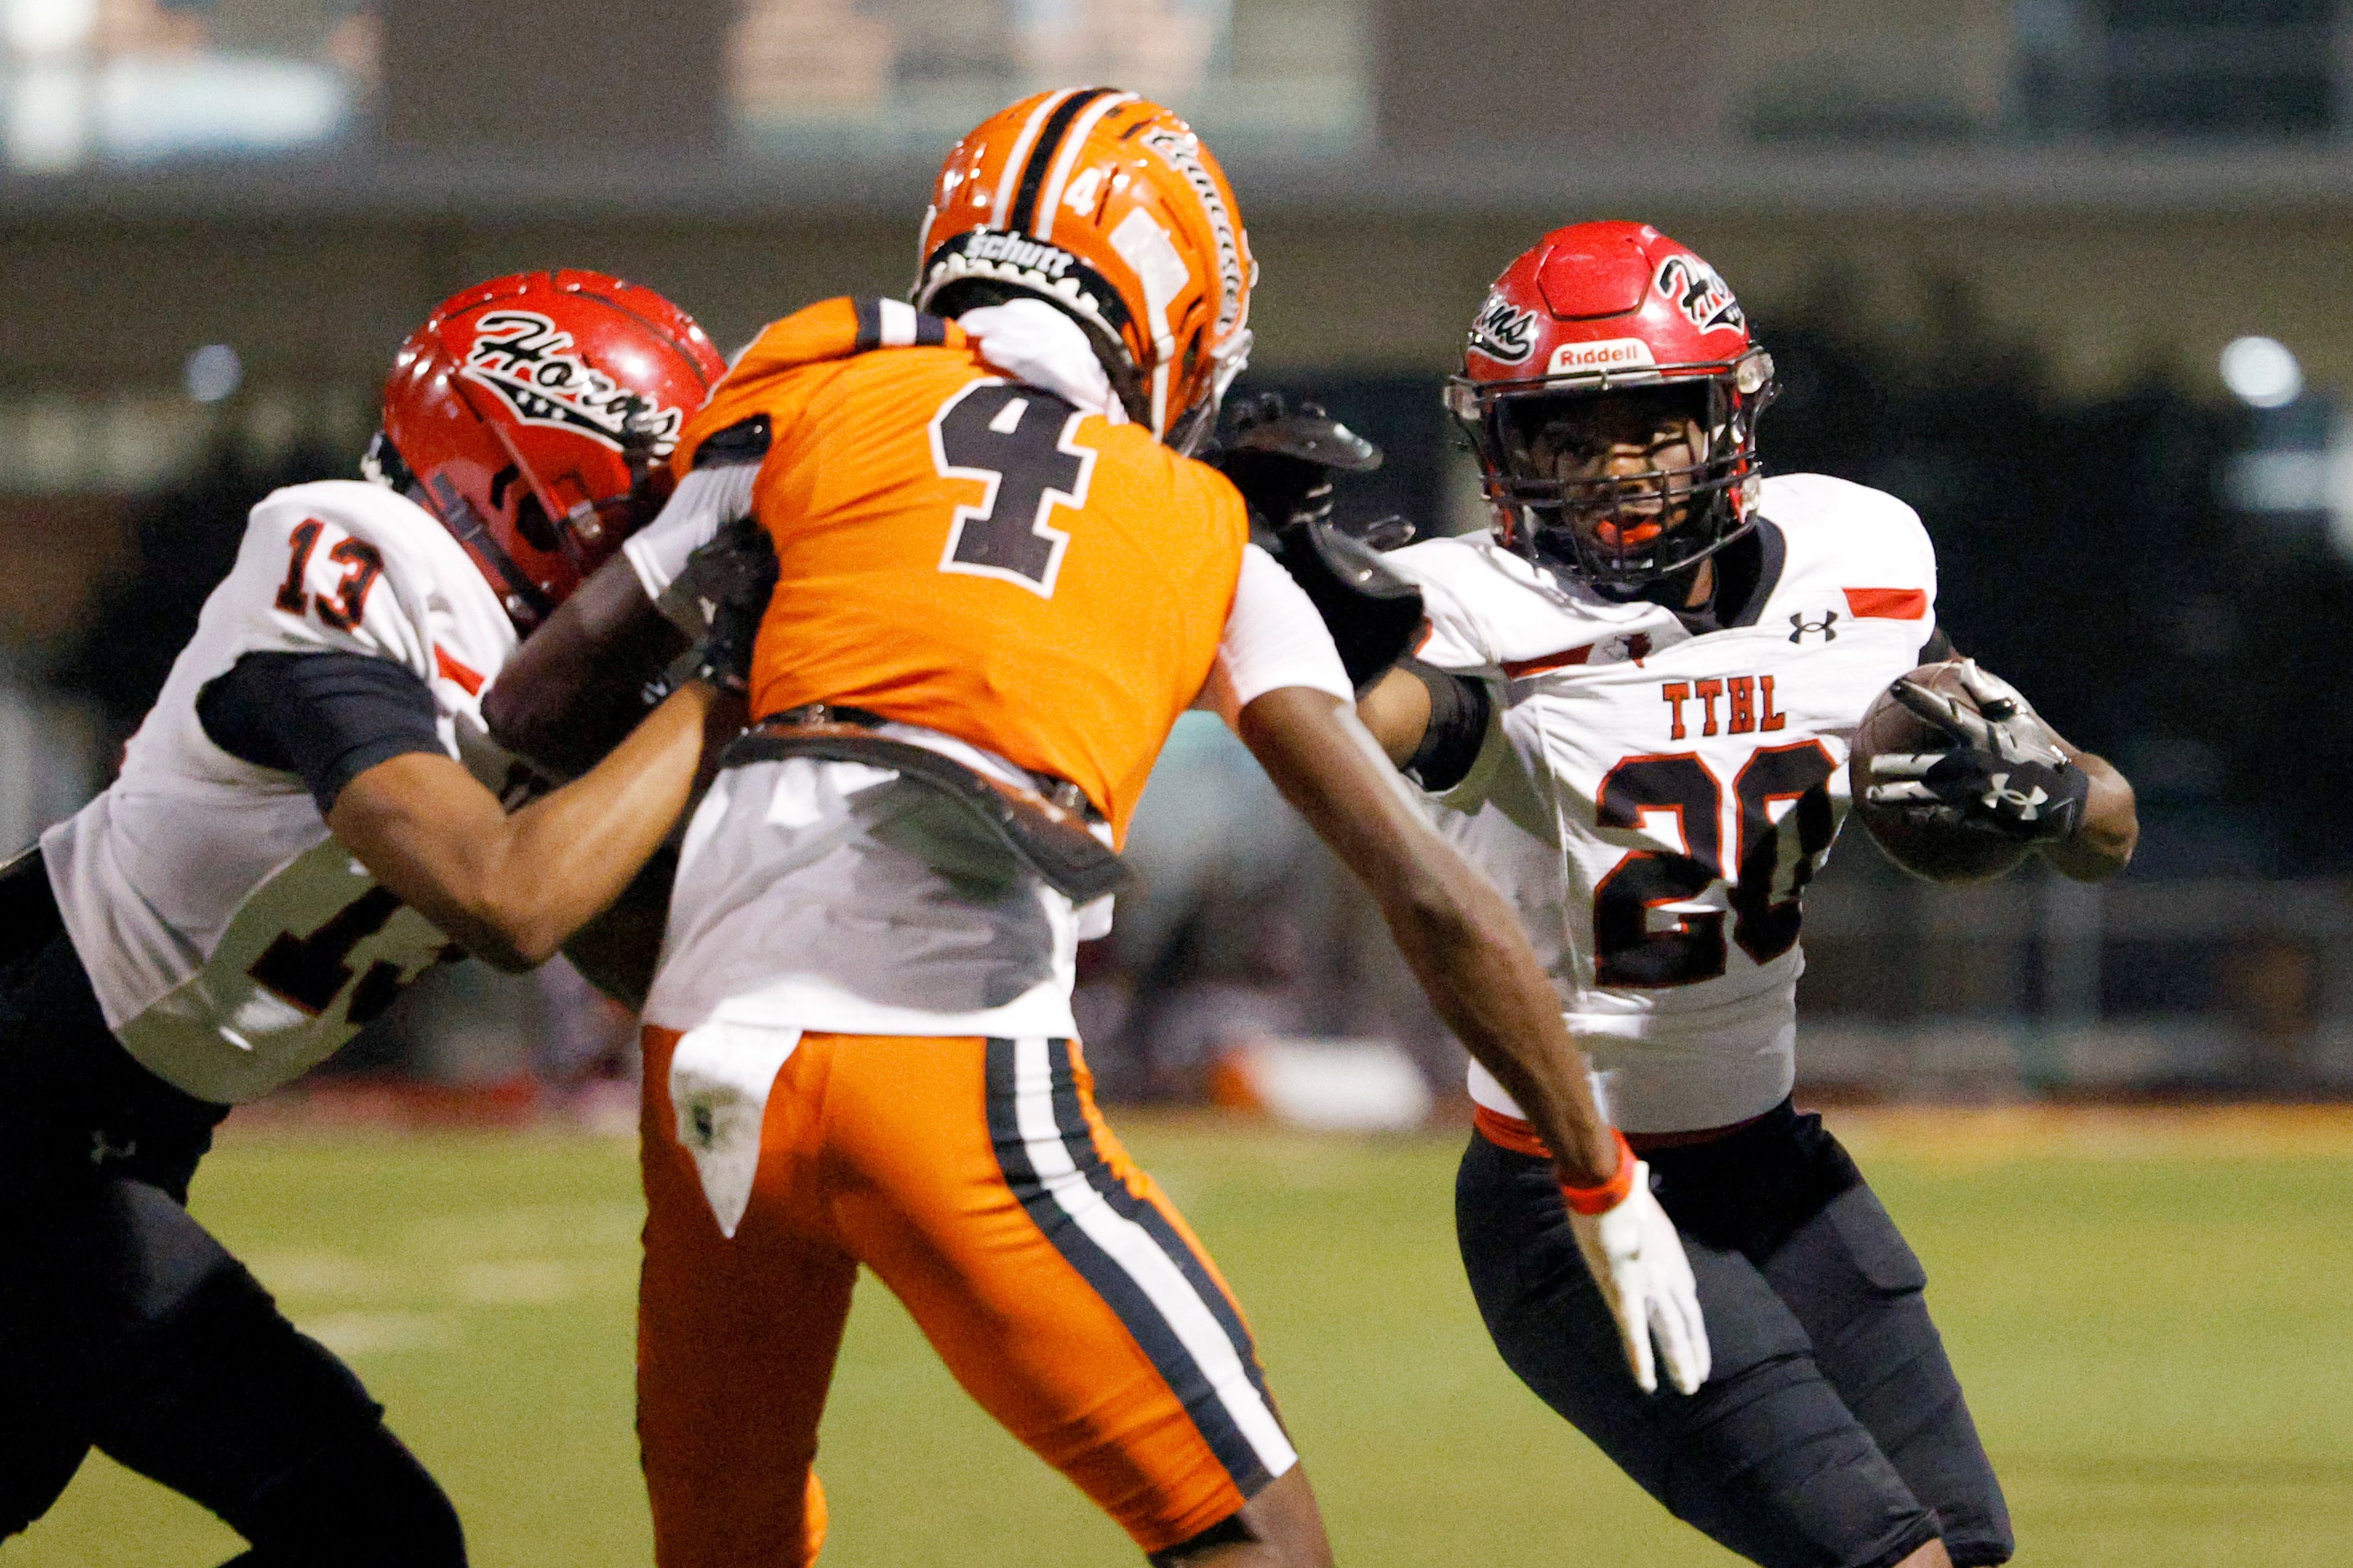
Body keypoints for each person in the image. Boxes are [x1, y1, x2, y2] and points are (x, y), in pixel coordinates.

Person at [486, 93, 1706, 1568]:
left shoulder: (804, 393)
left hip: (701, 1061)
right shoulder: (1199, 525)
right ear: (1175, 304)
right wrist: (1600, 1172)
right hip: (943, 1060)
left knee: (729, 1548)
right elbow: (1427, 891)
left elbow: (537, 705)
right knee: (1257, 1541)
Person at [1349, 221, 2138, 1568]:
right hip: (1568, 1187)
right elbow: (1376, 714)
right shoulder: (1471, 609)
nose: (1611, 470)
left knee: (1967, 1544)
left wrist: (2044, 799)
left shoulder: (1857, 558)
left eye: (1648, 424)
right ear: (1502, 451)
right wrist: (1299, 608)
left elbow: (2106, 822)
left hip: (1770, 1167)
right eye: (1564, 435)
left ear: (1726, 418)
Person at [0, 270, 744, 1564]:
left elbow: (640, 948)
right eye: (653, 506)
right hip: (21, 1097)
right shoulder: (350, 551)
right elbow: (508, 900)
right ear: (529, 483)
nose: (665, 556)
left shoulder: (533, 678)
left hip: (113, 1134)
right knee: (374, 1539)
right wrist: (718, 692)